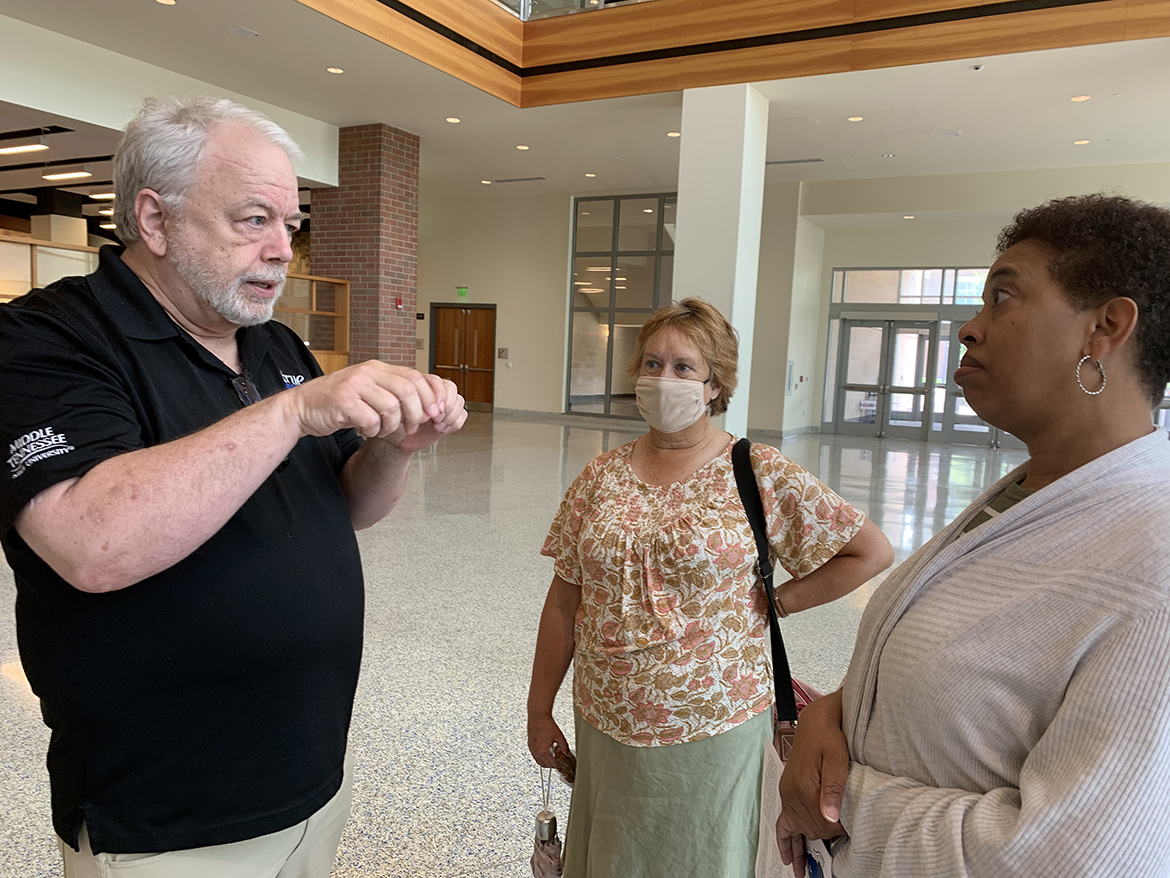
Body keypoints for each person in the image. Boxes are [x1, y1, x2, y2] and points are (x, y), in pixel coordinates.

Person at [0, 96, 466, 876]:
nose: (284, 249)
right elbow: (92, 544)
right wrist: (293, 412)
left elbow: (348, 507)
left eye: (292, 224)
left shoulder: (275, 342)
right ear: (154, 220)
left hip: (309, 779)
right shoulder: (48, 338)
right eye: (254, 220)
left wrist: (394, 450)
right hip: (165, 818)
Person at [778, 194, 1170, 878]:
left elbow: (1076, 857)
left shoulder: (1152, 563)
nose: (969, 328)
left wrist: (842, 802)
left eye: (1002, 297)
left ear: (1105, 327)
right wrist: (831, 715)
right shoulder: (1025, 492)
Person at [526, 297, 893, 878]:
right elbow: (563, 602)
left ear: (715, 384)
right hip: (606, 721)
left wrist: (781, 600)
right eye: (651, 364)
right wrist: (538, 709)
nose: (662, 379)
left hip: (714, 726)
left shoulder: (757, 470)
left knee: (702, 858)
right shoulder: (600, 476)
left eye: (682, 367)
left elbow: (869, 550)